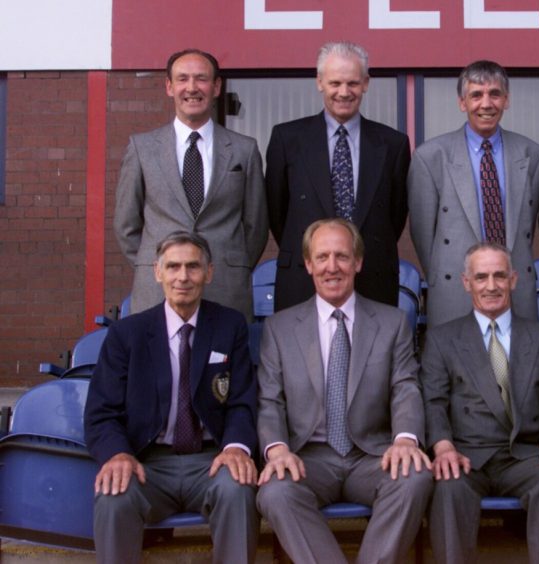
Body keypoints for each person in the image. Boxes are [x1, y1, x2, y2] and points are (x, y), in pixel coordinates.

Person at [255, 218, 433, 564]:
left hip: (373, 455)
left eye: (341, 256)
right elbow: (269, 400)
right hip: (309, 456)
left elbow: (405, 387)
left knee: (414, 478)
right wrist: (277, 450)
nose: (332, 267)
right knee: (276, 492)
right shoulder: (279, 328)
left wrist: (406, 440)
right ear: (308, 264)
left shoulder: (392, 322)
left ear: (358, 262)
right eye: (322, 257)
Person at [85, 231, 259, 564]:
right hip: (147, 463)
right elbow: (101, 412)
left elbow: (241, 401)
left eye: (193, 267)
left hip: (210, 460)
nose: (183, 277)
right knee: (113, 494)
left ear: (208, 273)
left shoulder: (229, 326)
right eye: (174, 266)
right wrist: (118, 454)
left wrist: (236, 448)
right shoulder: (127, 334)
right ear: (157, 271)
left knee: (237, 488)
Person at [420, 242, 539, 564]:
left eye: (499, 276)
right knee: (447, 487)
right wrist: (443, 447)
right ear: (467, 283)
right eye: (481, 277)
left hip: (524, 455)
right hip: (465, 454)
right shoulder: (441, 339)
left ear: (514, 280)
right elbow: (432, 402)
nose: (491, 286)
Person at [114, 49, 268, 320]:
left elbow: (256, 227)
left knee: (225, 363)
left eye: (201, 79)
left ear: (217, 87)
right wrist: (160, 267)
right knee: (158, 362)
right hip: (158, 290)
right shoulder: (142, 148)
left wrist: (231, 264)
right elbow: (127, 226)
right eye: (183, 79)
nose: (192, 88)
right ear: (169, 87)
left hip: (225, 287)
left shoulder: (244, 150)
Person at [265, 41, 410, 311]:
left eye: (353, 83)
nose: (344, 92)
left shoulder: (393, 144)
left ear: (366, 83)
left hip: (373, 279)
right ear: (320, 82)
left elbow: (394, 216)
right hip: (303, 278)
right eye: (335, 83)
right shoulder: (287, 139)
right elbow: (278, 214)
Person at [409, 60, 539, 327]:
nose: (486, 104)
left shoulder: (531, 154)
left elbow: (525, 227)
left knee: (517, 367)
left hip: (516, 289)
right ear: (462, 102)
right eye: (476, 95)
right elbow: (423, 235)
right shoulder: (431, 156)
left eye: (494, 94)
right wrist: (442, 276)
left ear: (506, 100)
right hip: (454, 291)